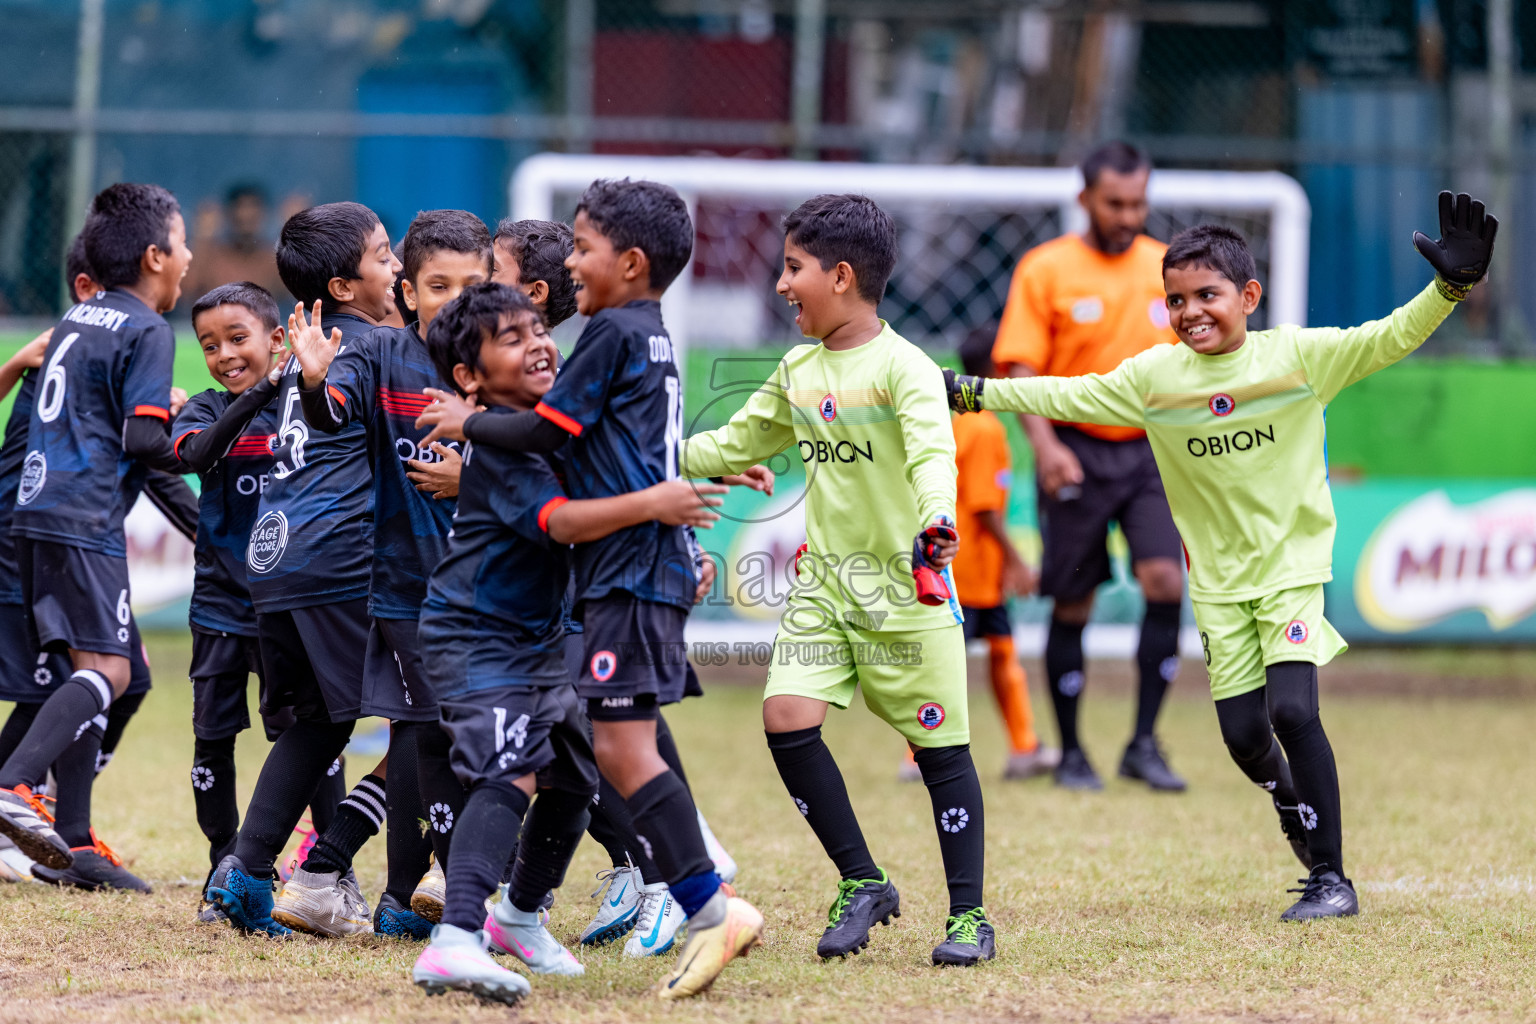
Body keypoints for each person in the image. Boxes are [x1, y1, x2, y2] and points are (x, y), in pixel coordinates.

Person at [947, 191, 1496, 920]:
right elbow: (1067, 393)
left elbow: (1387, 337)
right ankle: (1290, 802)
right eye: (1175, 301)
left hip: (1291, 571)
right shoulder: (1156, 379)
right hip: (1219, 587)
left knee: (1293, 711)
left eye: (1207, 295)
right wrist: (972, 393)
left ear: (1249, 297)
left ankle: (1331, 878)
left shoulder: (1297, 358)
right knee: (1244, 740)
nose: (1190, 312)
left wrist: (1450, 288)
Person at [416, 178, 763, 999]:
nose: (540, 344)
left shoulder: (565, 406)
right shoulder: (508, 449)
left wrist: (685, 501)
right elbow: (567, 521)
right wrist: (662, 505)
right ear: (470, 378)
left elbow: (625, 455)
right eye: (512, 340)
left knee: (580, 772)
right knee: (517, 771)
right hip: (480, 637)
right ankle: (458, 936)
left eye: (540, 330)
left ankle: (523, 916)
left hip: (544, 637)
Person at [676, 193, 993, 967]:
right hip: (825, 588)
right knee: (785, 717)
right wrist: (634, 457)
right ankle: (863, 880)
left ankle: (969, 918)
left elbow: (933, 456)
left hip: (907, 588)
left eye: (794, 268)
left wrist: (936, 523)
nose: (782, 284)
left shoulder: (906, 368)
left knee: (940, 752)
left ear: (842, 276)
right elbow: (733, 443)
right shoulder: (798, 368)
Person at [488, 213, 736, 957]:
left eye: (583, 248)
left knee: (620, 748)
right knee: (607, 742)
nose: (571, 263)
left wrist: (466, 426)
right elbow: (628, 451)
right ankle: (535, 906)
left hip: (626, 571)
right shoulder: (649, 333)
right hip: (633, 570)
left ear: (629, 262)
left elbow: (548, 438)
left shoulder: (611, 334)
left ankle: (698, 896)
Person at [277, 208, 496, 939]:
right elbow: (334, 411)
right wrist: (315, 382)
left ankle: (407, 887)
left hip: (495, 588)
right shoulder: (380, 354)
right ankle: (448, 887)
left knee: (484, 731)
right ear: (409, 293)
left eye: (472, 286)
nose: (457, 302)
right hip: (408, 590)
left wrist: (474, 476)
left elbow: (546, 461)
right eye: (439, 286)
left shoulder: (506, 362)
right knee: (430, 729)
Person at [204, 202, 406, 937]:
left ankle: (247, 871)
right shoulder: (370, 347)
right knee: (427, 714)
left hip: (276, 560)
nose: (397, 265)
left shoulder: (303, 351)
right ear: (345, 286)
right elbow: (373, 427)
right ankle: (378, 884)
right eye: (384, 255)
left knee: (321, 722)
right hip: (337, 562)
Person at [0, 184, 190, 873]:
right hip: (86, 520)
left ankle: (73, 839)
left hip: (36, 513)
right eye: (182, 241)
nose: (189, 256)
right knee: (109, 669)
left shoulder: (76, 322)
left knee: (94, 671)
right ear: (154, 256)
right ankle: (15, 785)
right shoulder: (148, 329)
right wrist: (206, 437)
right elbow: (144, 442)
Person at [992, 140, 1187, 792]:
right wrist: (1045, 447)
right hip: (1073, 447)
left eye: (1137, 203)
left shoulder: (1168, 266)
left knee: (1166, 581)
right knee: (1074, 598)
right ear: (1085, 199)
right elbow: (1021, 367)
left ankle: (1143, 743)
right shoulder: (1045, 269)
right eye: (1114, 203)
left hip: (1150, 449)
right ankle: (1073, 752)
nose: (1128, 216)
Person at [173, 281, 345, 919]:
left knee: (308, 732)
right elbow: (194, 453)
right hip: (220, 607)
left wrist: (283, 390)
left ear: (276, 339)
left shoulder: (305, 409)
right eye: (209, 345)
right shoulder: (204, 409)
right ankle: (225, 866)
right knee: (211, 739)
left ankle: (328, 871)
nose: (223, 355)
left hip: (289, 604)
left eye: (236, 338)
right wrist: (258, 394)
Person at [897, 326, 1056, 783]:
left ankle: (1024, 747)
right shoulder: (984, 429)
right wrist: (1017, 560)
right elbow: (985, 508)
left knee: (1000, 651)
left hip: (970, 568)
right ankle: (918, 756)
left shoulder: (961, 423)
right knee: (956, 663)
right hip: (968, 571)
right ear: (997, 369)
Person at [186, 183, 286, 302]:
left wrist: (293, 235)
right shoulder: (211, 257)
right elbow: (186, 291)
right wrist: (203, 236)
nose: (246, 215)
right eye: (241, 210)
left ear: (263, 215)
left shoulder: (272, 261)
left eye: (251, 213)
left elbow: (293, 292)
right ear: (228, 215)